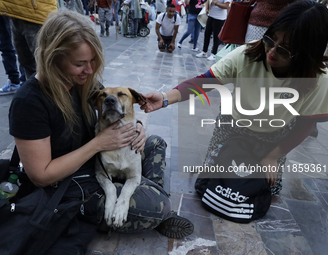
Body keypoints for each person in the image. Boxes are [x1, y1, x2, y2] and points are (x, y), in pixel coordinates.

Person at [9, 9, 193, 254]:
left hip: (100, 156)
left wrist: (136, 127)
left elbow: (117, 108)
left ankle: (143, 188)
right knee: (158, 206)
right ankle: (150, 200)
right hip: (72, 183)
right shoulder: (30, 101)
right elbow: (41, 176)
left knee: (156, 142)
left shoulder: (84, 82)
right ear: (53, 57)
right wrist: (98, 144)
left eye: (92, 61)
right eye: (79, 63)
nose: (89, 70)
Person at [140, 0, 328, 196]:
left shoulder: (318, 80)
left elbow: (304, 126)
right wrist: (165, 98)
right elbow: (204, 82)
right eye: (270, 40)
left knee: (267, 191)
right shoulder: (247, 55)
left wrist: (273, 156)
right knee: (210, 183)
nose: (271, 51)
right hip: (233, 123)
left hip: (276, 134)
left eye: (284, 50)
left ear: (306, 54)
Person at [0, 0, 57, 80]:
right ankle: (33, 89)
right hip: (15, 12)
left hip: (35, 14)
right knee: (27, 64)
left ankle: (53, 91)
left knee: (46, 64)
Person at [0, 1, 24, 95]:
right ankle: (13, 81)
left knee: (18, 44)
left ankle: (25, 82)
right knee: (3, 43)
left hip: (9, 3)